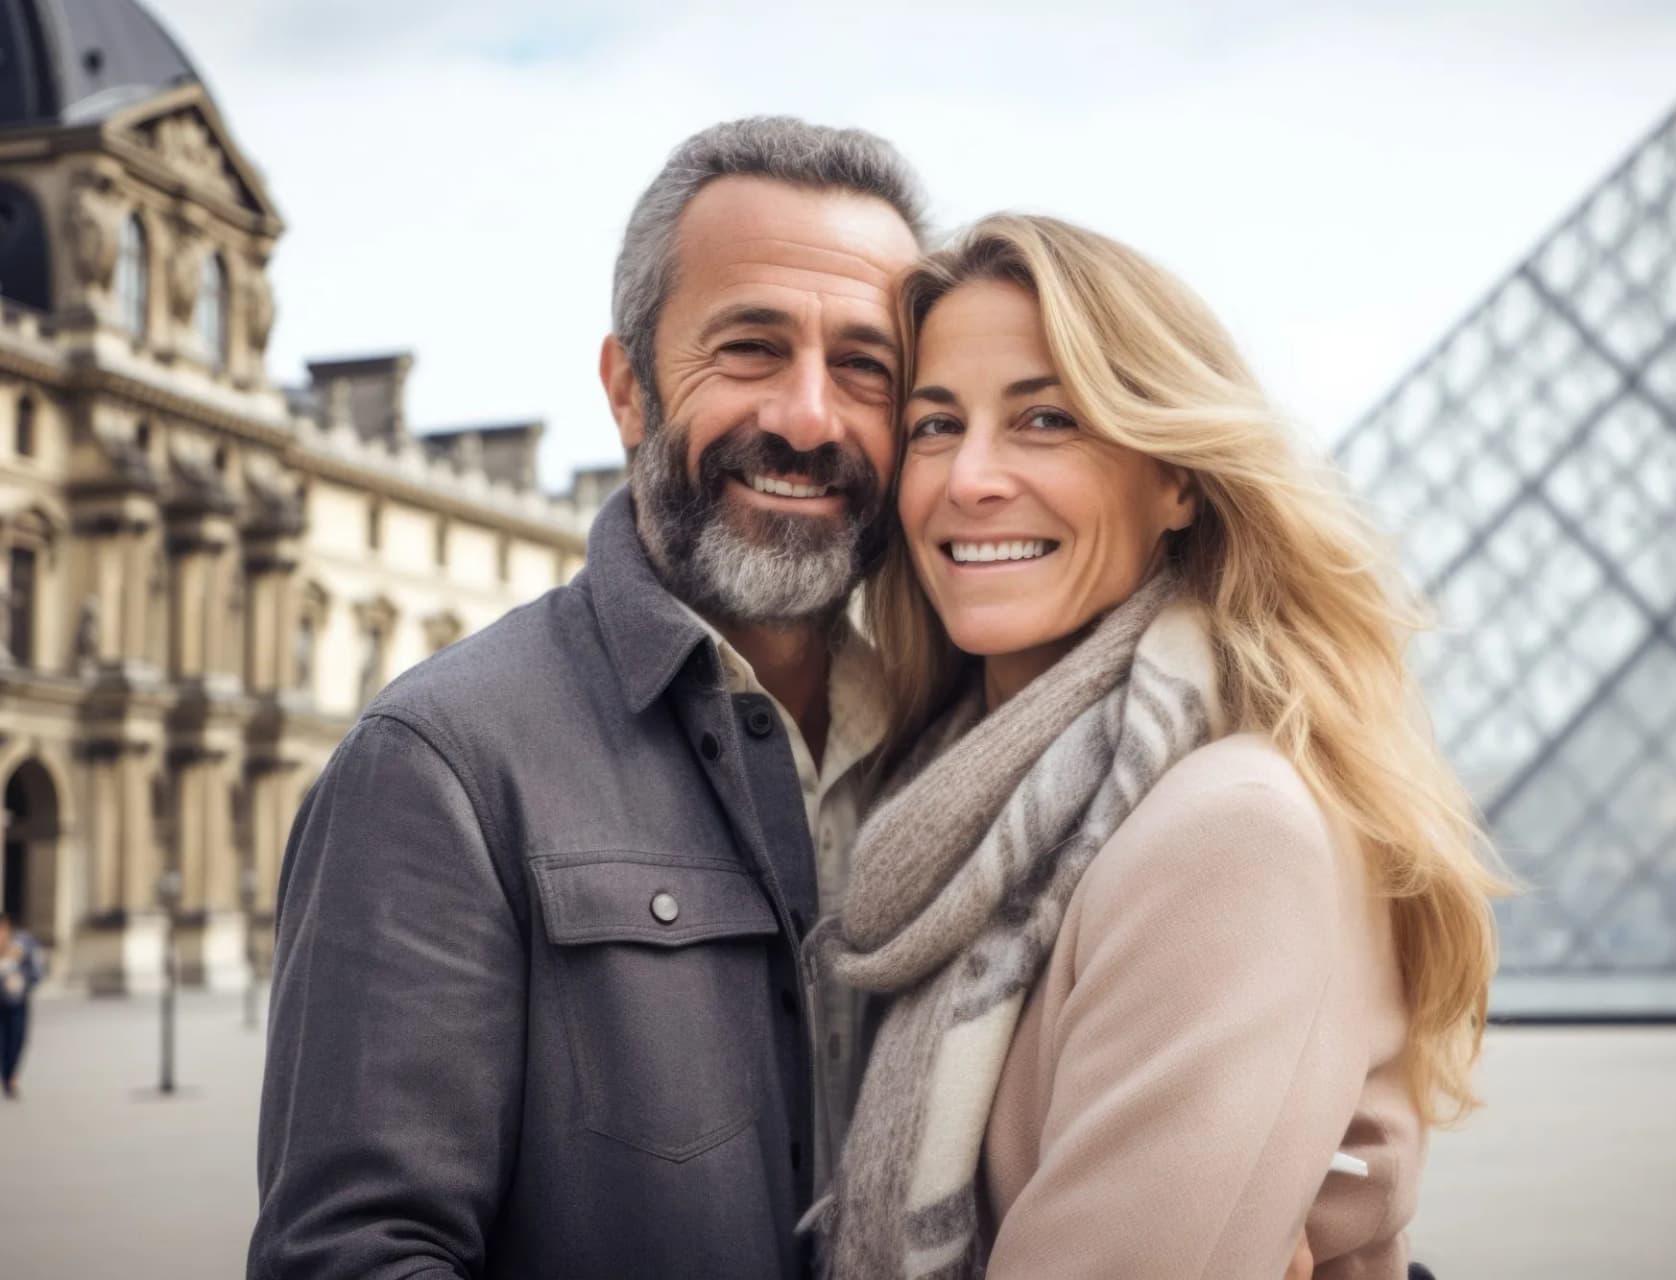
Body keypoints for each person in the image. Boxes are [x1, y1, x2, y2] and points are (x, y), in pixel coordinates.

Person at [249, 117, 924, 1279]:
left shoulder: (963, 735)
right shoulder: (440, 761)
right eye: (751, 347)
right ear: (628, 387)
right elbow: (354, 1254)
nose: (809, 417)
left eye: (864, 365)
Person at [814, 216, 1505, 1279]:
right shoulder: (947, 793)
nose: (971, 479)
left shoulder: (1229, 830)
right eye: (936, 425)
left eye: (1046, 417)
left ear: (1177, 478)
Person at [0, 911, 45, 1099]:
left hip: (18, 1001)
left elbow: (37, 968)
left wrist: (25, 983)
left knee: (17, 1039)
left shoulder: (23, 943)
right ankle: (7, 1077)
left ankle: (11, 1074)